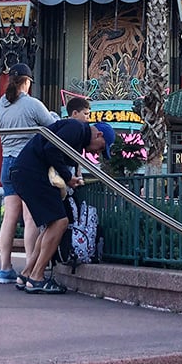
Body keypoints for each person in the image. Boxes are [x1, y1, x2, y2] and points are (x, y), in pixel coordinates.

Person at [9, 118, 107, 294]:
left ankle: (26, 273)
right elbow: (52, 148)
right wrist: (68, 178)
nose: (97, 153)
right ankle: (37, 277)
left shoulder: (76, 134)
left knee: (51, 225)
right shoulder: (76, 128)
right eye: (101, 148)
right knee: (61, 222)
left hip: (24, 173)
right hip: (32, 174)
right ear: (99, 134)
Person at [0, 62, 60, 285]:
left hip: (7, 165)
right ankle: (30, 267)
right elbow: (53, 126)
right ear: (28, 82)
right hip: (28, 165)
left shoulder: (0, 106)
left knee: (9, 217)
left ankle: (5, 268)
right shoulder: (32, 105)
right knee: (30, 216)